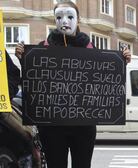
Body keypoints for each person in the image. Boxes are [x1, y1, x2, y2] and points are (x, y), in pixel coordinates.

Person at [14, 1, 131, 168]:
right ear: (54, 20)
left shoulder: (92, 49)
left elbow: (105, 79)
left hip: (83, 126)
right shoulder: (41, 50)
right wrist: (23, 60)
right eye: (59, 17)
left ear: (78, 19)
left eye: (70, 16)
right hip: (52, 126)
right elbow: (31, 83)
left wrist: (122, 61)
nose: (64, 21)